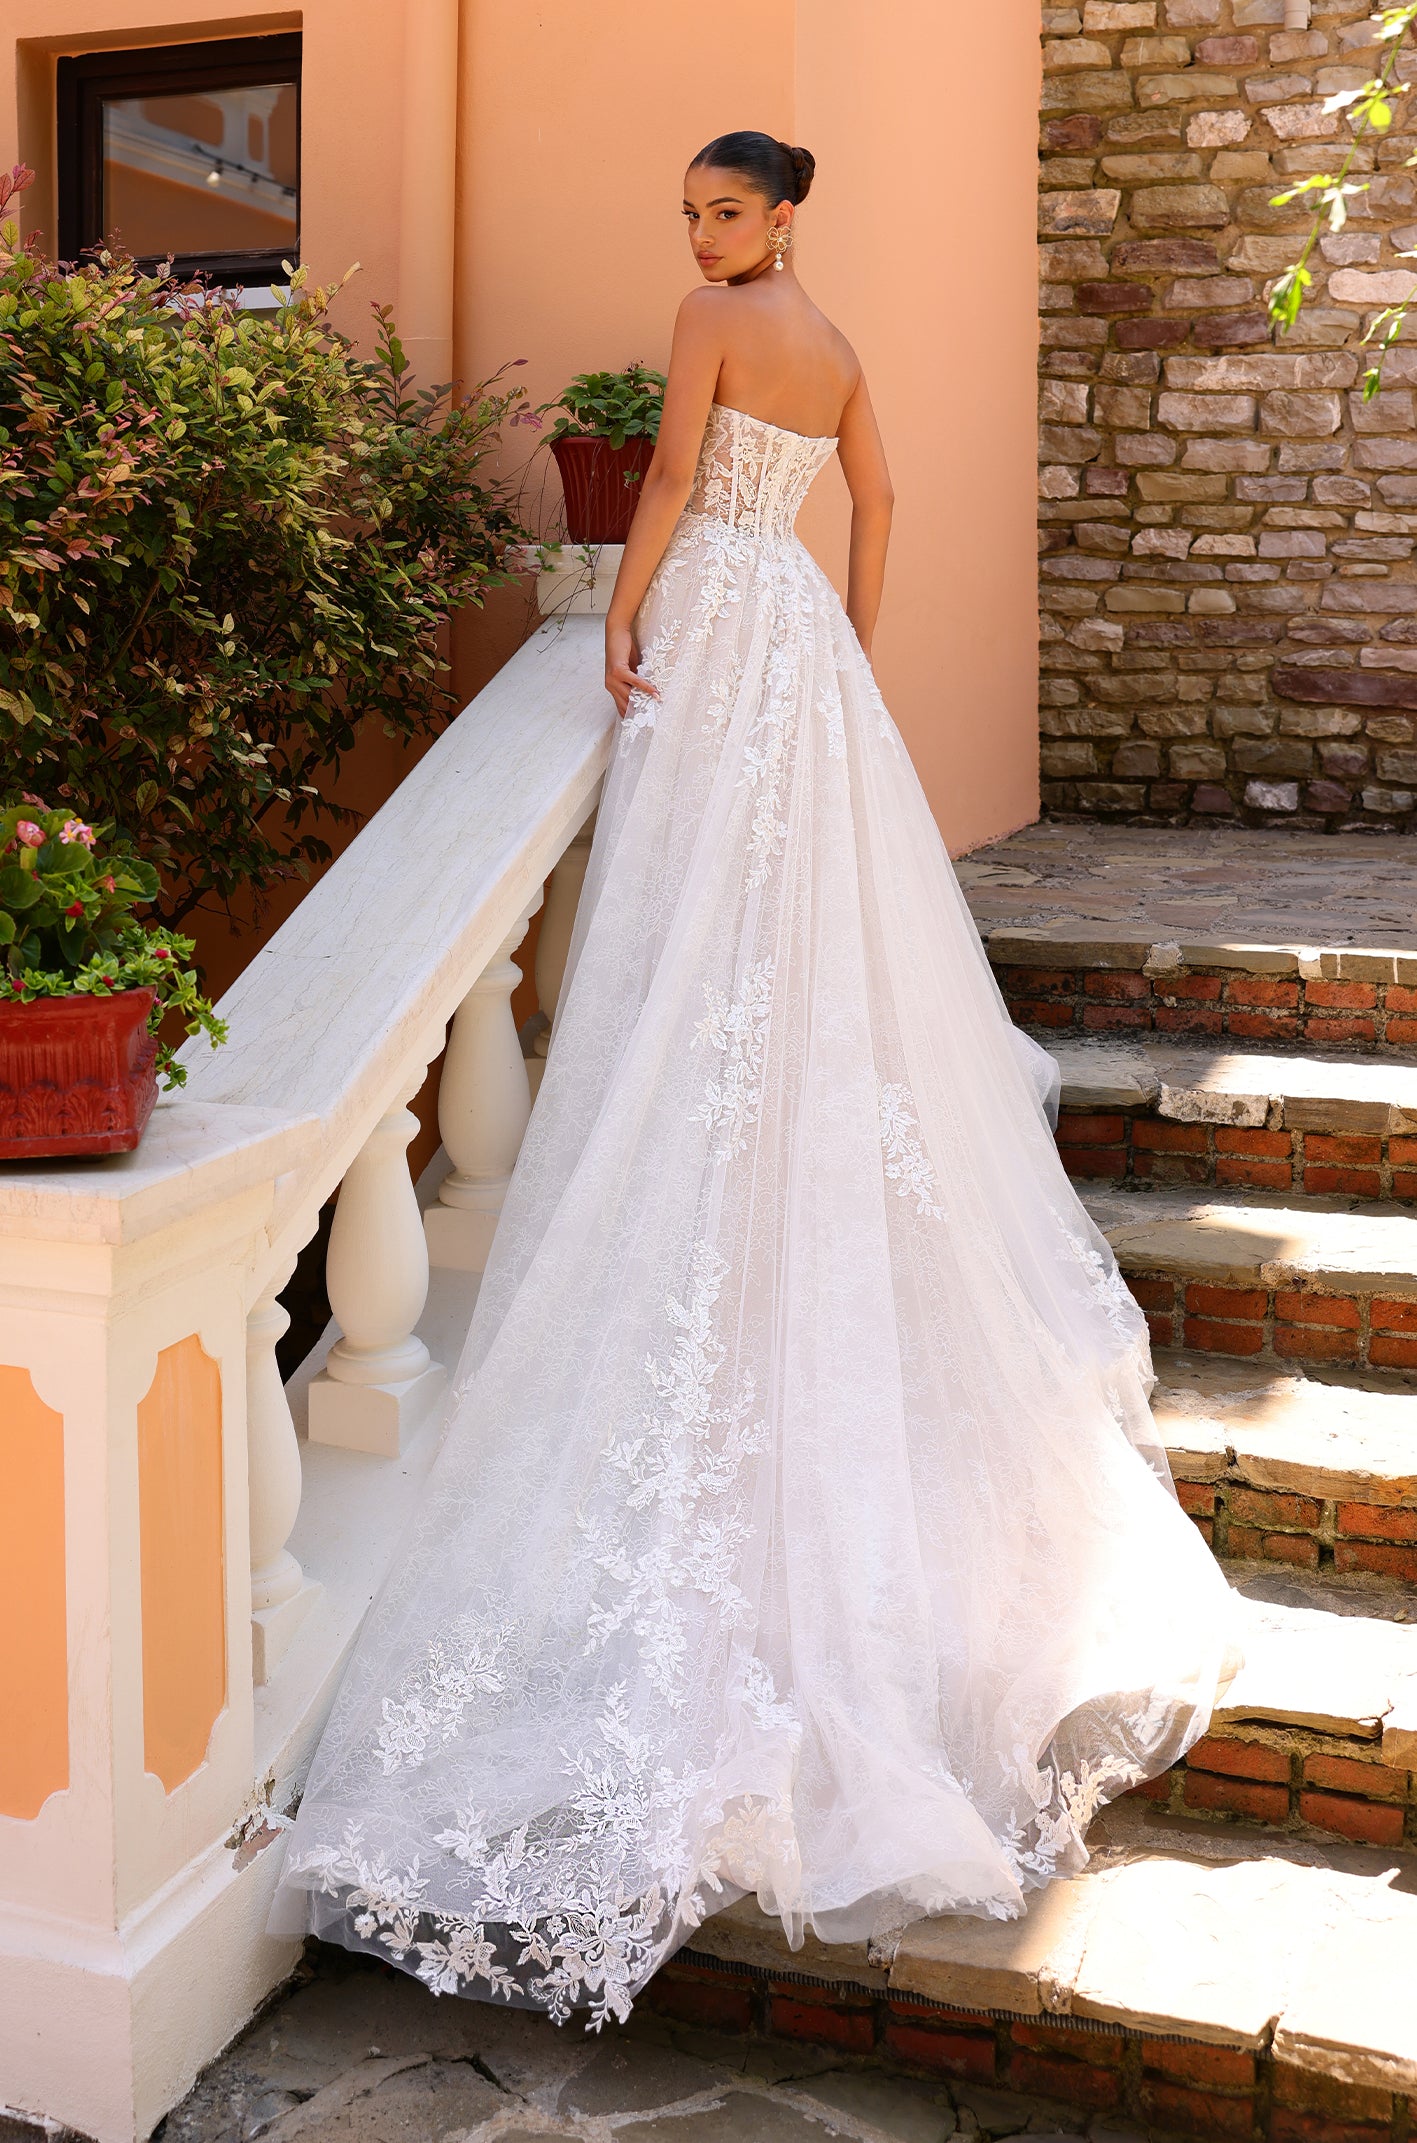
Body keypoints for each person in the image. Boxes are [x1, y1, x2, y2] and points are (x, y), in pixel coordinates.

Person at [272, 130, 1239, 2027]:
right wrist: (851, 635)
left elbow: (668, 500)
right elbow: (877, 499)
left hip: (723, 619)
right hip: (800, 634)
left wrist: (629, 611)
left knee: (694, 902)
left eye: (724, 213)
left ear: (778, 213)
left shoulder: (718, 321)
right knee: (781, 920)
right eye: (692, 217)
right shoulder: (841, 339)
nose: (702, 239)